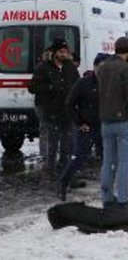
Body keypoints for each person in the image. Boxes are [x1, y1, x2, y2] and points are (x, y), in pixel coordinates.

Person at [57, 53, 110, 200]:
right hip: (87, 127)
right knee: (79, 157)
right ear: (95, 67)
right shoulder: (83, 83)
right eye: (101, 67)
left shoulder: (111, 83)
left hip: (106, 125)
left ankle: (108, 189)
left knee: (107, 158)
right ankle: (63, 182)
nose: (103, 71)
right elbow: (69, 104)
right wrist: (79, 122)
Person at [97, 37, 128, 211]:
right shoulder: (127, 68)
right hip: (124, 121)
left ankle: (107, 198)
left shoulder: (104, 67)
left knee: (108, 161)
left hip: (106, 121)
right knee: (124, 162)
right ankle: (123, 200)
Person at [28, 39, 80, 175]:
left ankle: (65, 168)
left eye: (66, 52)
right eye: (61, 52)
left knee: (67, 143)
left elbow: (77, 86)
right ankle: (50, 168)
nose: (64, 54)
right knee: (52, 143)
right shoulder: (44, 68)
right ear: (55, 53)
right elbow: (32, 87)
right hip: (51, 110)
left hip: (67, 111)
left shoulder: (70, 67)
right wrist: (49, 87)